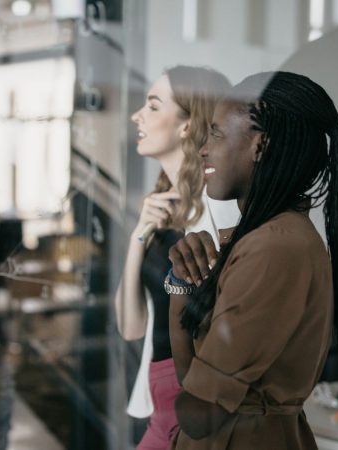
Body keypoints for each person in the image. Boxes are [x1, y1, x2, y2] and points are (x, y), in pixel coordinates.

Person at [166, 71, 338, 449]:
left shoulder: (275, 249)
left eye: (217, 134)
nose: (203, 148)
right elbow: (195, 391)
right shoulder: (266, 241)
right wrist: (182, 285)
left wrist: (182, 310)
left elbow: (197, 414)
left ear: (260, 145)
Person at [114, 65, 237, 450]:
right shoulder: (162, 208)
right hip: (157, 393)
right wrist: (139, 234)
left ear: (187, 125)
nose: (138, 116)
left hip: (193, 398)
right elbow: (131, 327)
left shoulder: (220, 207)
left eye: (152, 106)